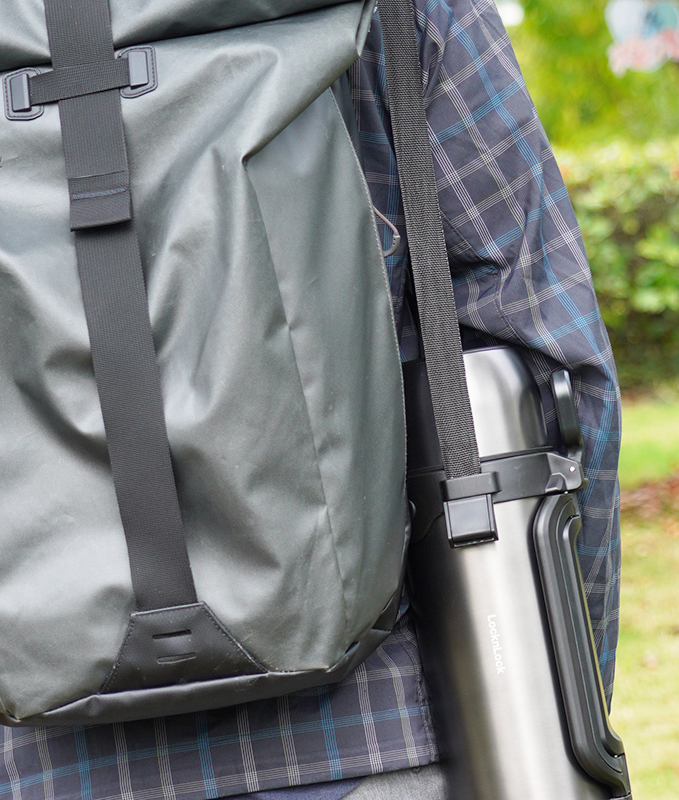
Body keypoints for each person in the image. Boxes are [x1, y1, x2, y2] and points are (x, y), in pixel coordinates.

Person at [0, 1, 621, 799]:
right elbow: (558, 375)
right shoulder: (406, 11)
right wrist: (558, 699)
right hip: (384, 735)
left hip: (49, 763)